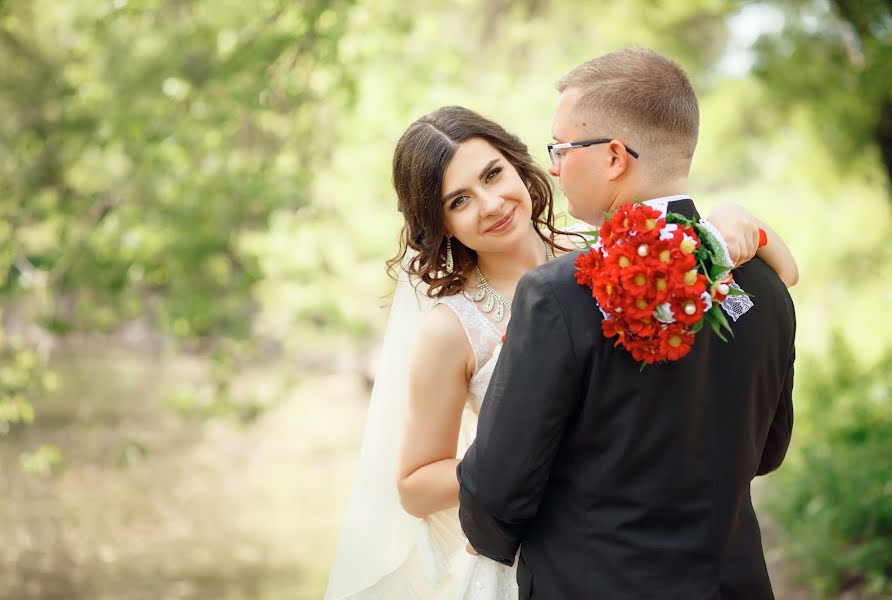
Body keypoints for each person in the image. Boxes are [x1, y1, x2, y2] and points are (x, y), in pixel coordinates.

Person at [325, 100, 798, 599]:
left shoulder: (607, 255)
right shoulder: (451, 329)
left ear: (518, 165)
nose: (489, 204)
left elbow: (782, 276)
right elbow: (415, 484)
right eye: (458, 201)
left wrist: (734, 220)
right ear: (439, 223)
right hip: (545, 561)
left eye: (492, 175)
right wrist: (517, 460)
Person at [457, 49, 797, 599]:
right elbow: (769, 450)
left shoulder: (558, 293)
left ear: (614, 157)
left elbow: (497, 489)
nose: (551, 166)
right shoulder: (765, 284)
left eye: (561, 148)